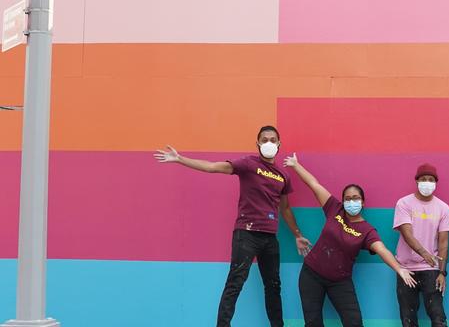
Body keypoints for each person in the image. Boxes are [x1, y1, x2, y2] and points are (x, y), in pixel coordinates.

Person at [154, 125, 311, 327]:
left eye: (273, 139)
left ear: (279, 144)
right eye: (264, 140)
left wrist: (297, 234)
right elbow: (212, 167)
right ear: (258, 144)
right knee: (235, 283)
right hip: (246, 234)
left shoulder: (283, 175)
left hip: (270, 238)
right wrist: (180, 159)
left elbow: (286, 208)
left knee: (273, 286)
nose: (269, 143)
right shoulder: (248, 164)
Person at [282, 152, 417, 327]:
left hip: (340, 281)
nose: (351, 202)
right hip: (311, 274)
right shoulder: (334, 209)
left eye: (355, 198)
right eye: (347, 198)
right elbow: (314, 184)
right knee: (313, 323)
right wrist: (295, 165)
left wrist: (399, 269)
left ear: (362, 202)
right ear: (343, 201)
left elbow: (382, 250)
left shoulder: (367, 230)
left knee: (354, 322)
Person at [393, 163, 449, 327]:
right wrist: (424, 253)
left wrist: (442, 272)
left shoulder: (443, 208)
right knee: (408, 318)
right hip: (406, 270)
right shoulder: (404, 203)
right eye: (423, 179)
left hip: (431, 270)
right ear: (417, 181)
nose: (427, 182)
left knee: (438, 316)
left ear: (435, 183)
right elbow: (406, 233)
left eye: (431, 179)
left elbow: (444, 241)